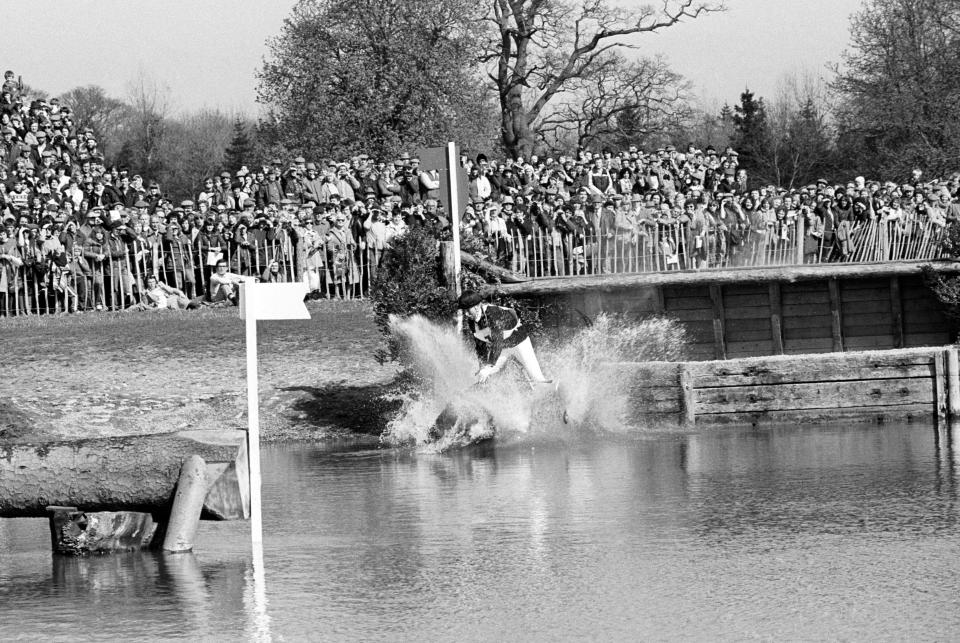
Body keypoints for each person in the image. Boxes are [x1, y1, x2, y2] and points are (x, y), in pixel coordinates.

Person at [457, 290, 550, 385]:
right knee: (484, 375)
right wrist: (483, 366)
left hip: (519, 343)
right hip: (503, 349)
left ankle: (549, 389)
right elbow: (480, 346)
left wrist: (489, 366)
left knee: (537, 378)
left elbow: (497, 341)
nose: (466, 314)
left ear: (476, 307)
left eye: (468, 310)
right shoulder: (472, 322)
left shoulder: (493, 314)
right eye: (464, 311)